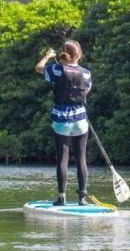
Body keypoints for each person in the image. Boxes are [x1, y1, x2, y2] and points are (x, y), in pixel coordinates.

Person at [35, 40, 92, 206]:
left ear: (63, 53)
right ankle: (82, 197)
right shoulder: (86, 73)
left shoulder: (57, 70)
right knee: (81, 158)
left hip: (61, 119)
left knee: (62, 159)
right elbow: (86, 90)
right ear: (79, 55)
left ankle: (62, 198)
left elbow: (39, 68)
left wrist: (48, 56)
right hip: (81, 119)